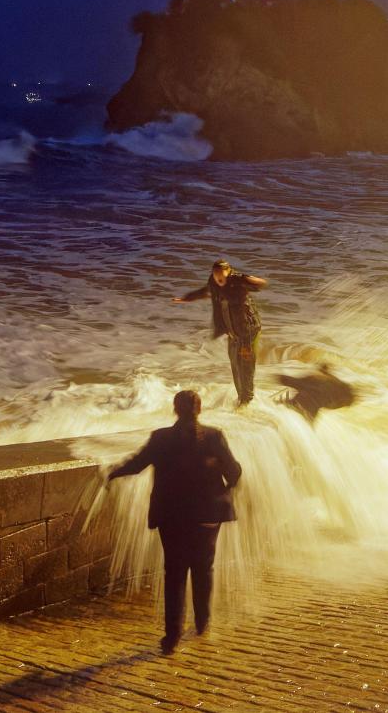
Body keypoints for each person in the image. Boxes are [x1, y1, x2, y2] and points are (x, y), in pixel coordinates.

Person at [107, 390, 242, 654]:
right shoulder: (214, 437)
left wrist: (112, 473)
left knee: (175, 573)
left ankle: (172, 636)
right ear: (199, 409)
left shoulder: (161, 438)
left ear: (175, 409)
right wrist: (224, 489)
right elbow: (234, 471)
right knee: (204, 568)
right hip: (207, 514)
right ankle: (202, 622)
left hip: (172, 515)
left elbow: (136, 465)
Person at [174, 260, 268, 406]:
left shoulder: (237, 281)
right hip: (233, 333)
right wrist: (186, 298)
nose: (218, 278)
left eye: (221, 274)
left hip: (248, 333)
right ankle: (242, 399)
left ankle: (247, 401)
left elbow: (260, 284)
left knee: (246, 367)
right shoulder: (214, 282)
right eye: (215, 274)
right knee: (236, 366)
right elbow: (205, 292)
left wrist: (246, 278)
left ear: (228, 272)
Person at [276, 363, 357, 421]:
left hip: (316, 399)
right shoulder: (335, 384)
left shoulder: (313, 383)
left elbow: (291, 383)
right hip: (332, 398)